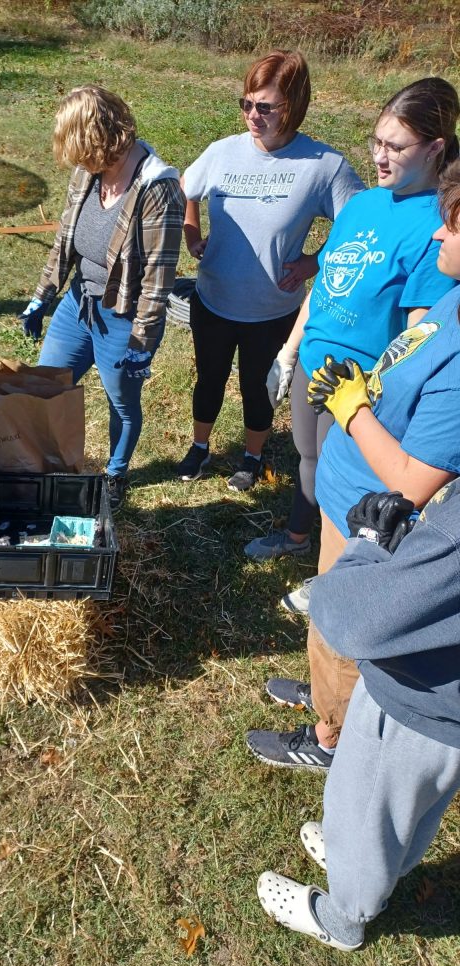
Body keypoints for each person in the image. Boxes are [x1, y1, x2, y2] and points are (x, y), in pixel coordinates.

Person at [246, 158, 460, 769]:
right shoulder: (454, 300)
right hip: (346, 489)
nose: (439, 232)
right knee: (326, 615)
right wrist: (368, 385)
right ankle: (327, 694)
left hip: (373, 509)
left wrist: (353, 408)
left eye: (452, 225)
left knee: (343, 623)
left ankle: (330, 736)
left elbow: (412, 481)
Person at [245, 77, 459, 559]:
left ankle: (340, 567)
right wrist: (289, 352)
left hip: (358, 383)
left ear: (435, 148)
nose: (380, 156)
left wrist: (371, 396)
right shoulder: (362, 204)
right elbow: (326, 284)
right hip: (314, 363)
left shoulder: (437, 227)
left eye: (395, 147)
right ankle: (299, 539)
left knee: (343, 479)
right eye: (376, 142)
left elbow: (418, 338)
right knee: (308, 457)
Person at [257, 478, 460, 950]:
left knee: (363, 807)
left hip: (410, 705)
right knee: (407, 810)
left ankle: (345, 915)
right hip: (447, 715)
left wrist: (366, 547)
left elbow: (352, 621)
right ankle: (381, 863)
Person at [176, 51, 363, 492]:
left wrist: (314, 261)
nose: (251, 116)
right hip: (213, 299)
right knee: (209, 379)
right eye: (246, 104)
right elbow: (185, 189)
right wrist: (192, 233)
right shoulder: (222, 152)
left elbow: (359, 225)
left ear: (293, 106)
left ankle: (252, 456)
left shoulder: (323, 165)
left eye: (265, 107)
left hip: (272, 309)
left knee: (258, 387)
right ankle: (200, 447)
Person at [19, 85, 185, 510]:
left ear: (99, 139)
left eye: (79, 150)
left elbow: (158, 279)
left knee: (122, 402)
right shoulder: (87, 172)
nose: (76, 162)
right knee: (46, 386)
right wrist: (42, 296)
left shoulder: (156, 189)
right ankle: (49, 465)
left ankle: (115, 473)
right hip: (80, 303)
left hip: (123, 316)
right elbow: (64, 240)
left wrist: (142, 342)